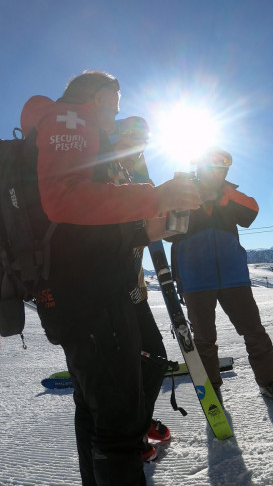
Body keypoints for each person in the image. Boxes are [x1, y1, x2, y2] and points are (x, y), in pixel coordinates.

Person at [27, 71, 202, 485]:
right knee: (118, 429)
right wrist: (158, 195)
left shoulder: (72, 131)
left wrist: (151, 227)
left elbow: (87, 228)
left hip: (89, 294)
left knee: (98, 414)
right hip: (93, 299)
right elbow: (64, 199)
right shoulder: (68, 121)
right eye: (116, 104)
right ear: (101, 97)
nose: (117, 114)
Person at [166, 147, 273, 404]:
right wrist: (183, 198)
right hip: (196, 279)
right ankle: (211, 389)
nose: (218, 173)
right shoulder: (184, 192)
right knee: (204, 339)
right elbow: (168, 232)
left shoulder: (229, 194)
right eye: (212, 168)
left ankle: (269, 382)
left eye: (222, 169)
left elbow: (251, 211)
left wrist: (222, 195)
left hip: (234, 276)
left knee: (254, 331)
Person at [110, 116, 172, 461]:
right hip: (108, 293)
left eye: (142, 139)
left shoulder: (133, 176)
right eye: (130, 136)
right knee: (131, 366)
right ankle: (130, 435)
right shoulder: (106, 172)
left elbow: (143, 229)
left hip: (133, 291)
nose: (136, 144)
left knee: (154, 359)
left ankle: (139, 421)